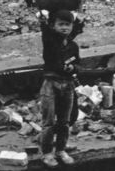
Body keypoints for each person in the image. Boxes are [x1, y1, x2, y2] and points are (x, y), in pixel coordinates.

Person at [38, 9, 84, 168]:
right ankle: (47, 153)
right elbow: (45, 32)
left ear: (72, 26)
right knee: (49, 122)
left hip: (68, 85)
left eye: (67, 24)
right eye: (60, 24)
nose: (64, 27)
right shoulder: (50, 42)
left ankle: (61, 150)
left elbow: (78, 64)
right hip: (51, 84)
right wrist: (43, 22)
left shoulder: (73, 46)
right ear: (54, 26)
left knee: (64, 121)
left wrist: (73, 68)